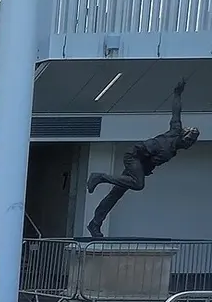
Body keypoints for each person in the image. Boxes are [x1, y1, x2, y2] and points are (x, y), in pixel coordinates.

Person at [86, 77, 200, 239]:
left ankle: (94, 224)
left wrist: (177, 94)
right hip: (134, 157)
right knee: (138, 184)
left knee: (115, 194)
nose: (188, 144)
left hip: (139, 163)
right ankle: (100, 177)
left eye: (191, 142)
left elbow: (176, 111)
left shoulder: (175, 130)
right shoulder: (169, 141)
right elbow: (143, 149)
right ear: (183, 137)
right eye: (188, 140)